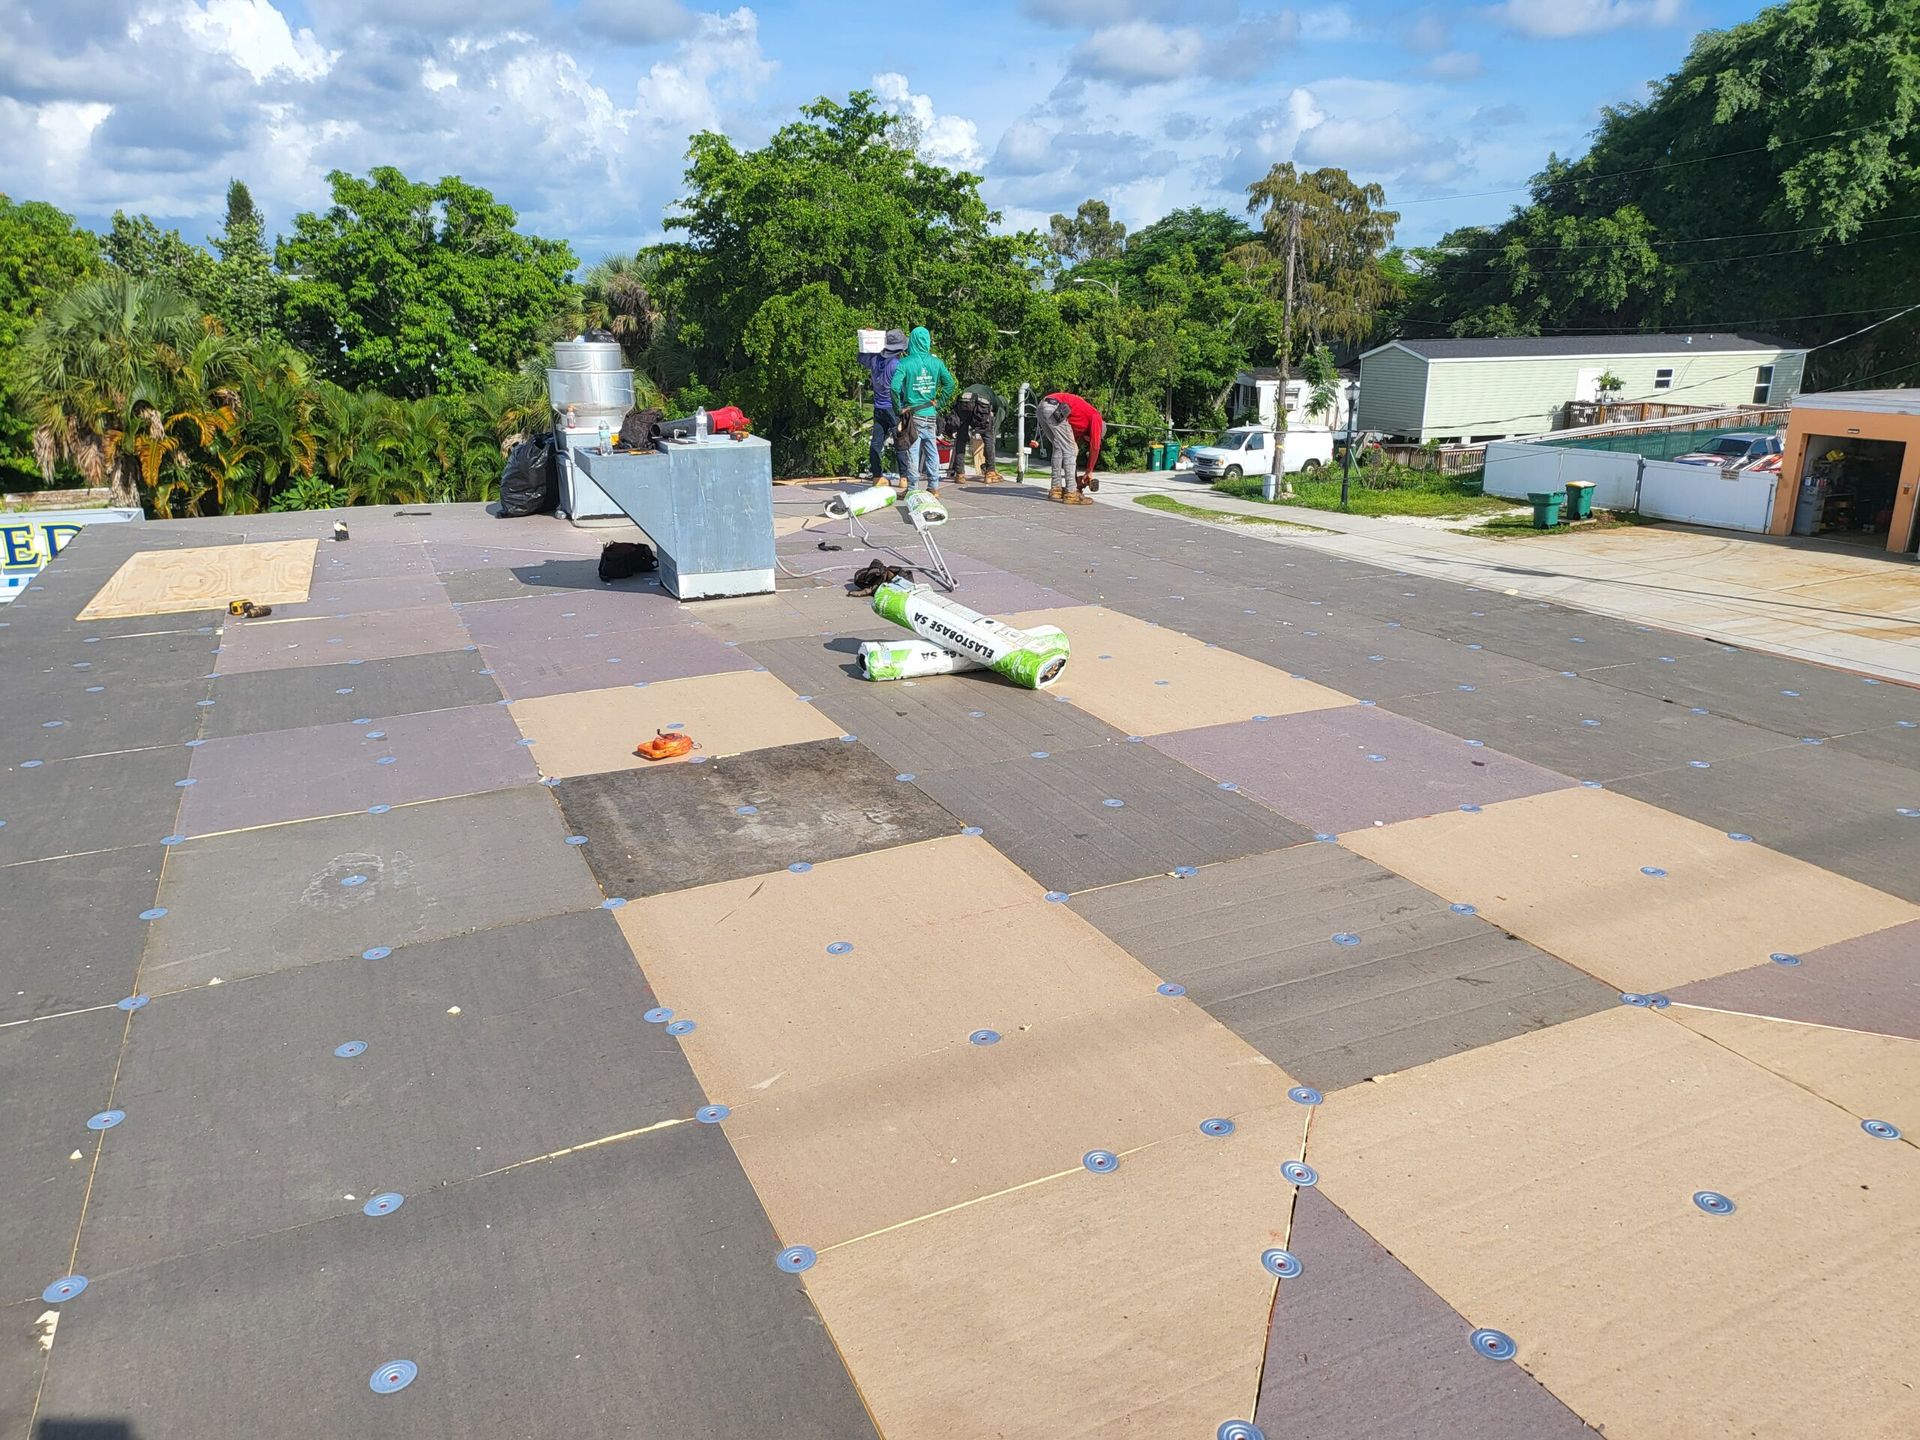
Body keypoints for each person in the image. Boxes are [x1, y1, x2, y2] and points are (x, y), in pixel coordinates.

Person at [889, 326, 957, 493]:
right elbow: (950, 384)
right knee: (931, 449)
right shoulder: (936, 362)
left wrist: (898, 408)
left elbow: (894, 388)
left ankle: (912, 488)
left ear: (911, 341)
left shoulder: (905, 363)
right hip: (930, 414)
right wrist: (939, 403)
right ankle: (933, 487)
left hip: (913, 415)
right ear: (927, 341)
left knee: (913, 451)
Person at [857, 328, 907, 483]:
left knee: (876, 443)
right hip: (893, 407)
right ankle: (904, 477)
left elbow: (860, 356)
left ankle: (877, 476)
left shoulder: (875, 360)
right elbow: (902, 389)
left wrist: (867, 339)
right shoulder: (897, 365)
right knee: (900, 440)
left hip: (878, 408)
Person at [1041, 391, 1104, 504]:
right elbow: (1095, 447)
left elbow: (1068, 456)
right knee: (1071, 449)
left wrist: (1076, 480)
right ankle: (1071, 493)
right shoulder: (1096, 417)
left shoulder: (1079, 423)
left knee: (1059, 446)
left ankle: (1056, 489)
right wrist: (1089, 471)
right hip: (1055, 407)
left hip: (1044, 406)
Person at [948, 382, 1005, 484]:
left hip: (963, 403)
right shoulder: (993, 395)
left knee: (961, 439)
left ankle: (960, 474)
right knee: (988, 438)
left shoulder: (972, 388)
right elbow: (997, 410)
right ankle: (990, 472)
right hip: (981, 405)